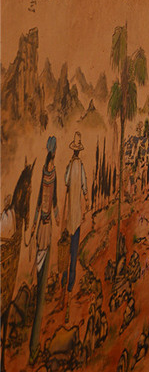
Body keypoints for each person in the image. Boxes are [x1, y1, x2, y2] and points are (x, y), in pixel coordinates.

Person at [29, 135, 59, 360]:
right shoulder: (46, 172)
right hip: (43, 227)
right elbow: (41, 199)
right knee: (41, 267)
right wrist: (33, 225)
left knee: (43, 265)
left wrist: (55, 215)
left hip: (46, 226)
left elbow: (52, 198)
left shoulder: (51, 172)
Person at [63, 132, 89, 320]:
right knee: (74, 249)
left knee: (68, 251)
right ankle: (70, 283)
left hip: (70, 215)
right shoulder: (80, 167)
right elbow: (85, 187)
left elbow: (65, 181)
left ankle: (66, 281)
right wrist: (86, 200)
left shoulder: (70, 166)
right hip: (77, 214)